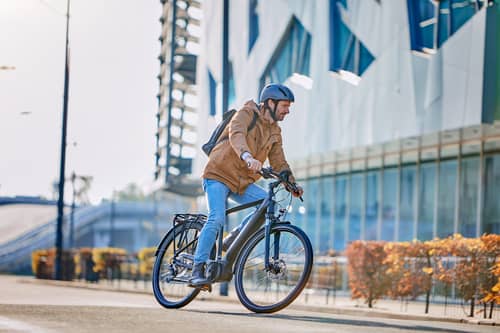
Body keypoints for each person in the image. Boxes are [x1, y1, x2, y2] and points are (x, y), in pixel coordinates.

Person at [190, 83, 304, 286]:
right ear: (271, 103)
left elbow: (279, 162)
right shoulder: (246, 113)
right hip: (218, 174)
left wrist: (291, 184)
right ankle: (197, 268)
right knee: (217, 218)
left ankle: (233, 238)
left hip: (241, 183)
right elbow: (236, 133)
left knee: (269, 205)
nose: (288, 111)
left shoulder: (275, 132)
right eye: (285, 105)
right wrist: (247, 156)